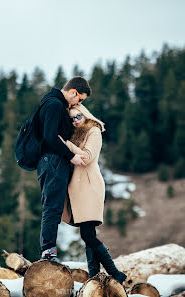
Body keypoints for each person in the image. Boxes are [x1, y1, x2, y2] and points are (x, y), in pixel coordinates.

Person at [59, 104, 127, 284]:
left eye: (78, 117)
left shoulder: (93, 131)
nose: (75, 121)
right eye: (72, 118)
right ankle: (95, 277)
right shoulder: (75, 134)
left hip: (89, 186)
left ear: (85, 115)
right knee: (88, 235)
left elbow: (87, 157)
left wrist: (65, 145)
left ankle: (115, 273)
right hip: (79, 189)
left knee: (88, 235)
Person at [37, 76, 91, 262]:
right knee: (52, 207)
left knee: (54, 206)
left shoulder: (53, 103)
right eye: (80, 99)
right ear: (73, 92)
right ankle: (48, 253)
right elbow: (51, 137)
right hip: (53, 161)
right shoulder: (55, 105)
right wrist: (71, 156)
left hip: (52, 161)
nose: (79, 103)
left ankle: (48, 251)